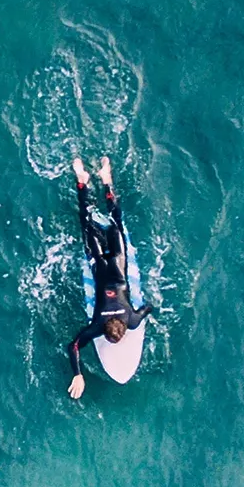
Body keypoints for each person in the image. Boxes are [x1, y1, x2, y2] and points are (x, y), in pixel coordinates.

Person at [67, 155, 152, 398]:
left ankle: (105, 180)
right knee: (87, 223)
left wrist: (144, 312)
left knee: (116, 223)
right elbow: (72, 347)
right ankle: (82, 179)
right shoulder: (97, 326)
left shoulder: (131, 318)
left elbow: (147, 307)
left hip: (117, 263)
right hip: (101, 264)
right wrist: (78, 374)